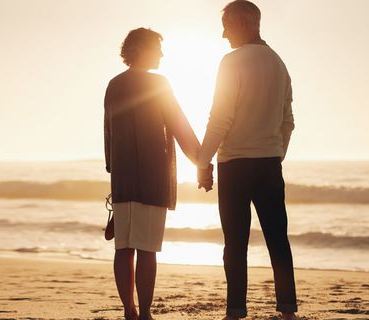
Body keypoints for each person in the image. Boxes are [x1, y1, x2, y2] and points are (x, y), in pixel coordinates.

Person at [196, 1, 297, 319]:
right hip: (269, 164)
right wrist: (276, 154)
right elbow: (288, 121)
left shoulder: (232, 61)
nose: (223, 32)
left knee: (235, 243)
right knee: (277, 239)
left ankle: (236, 310)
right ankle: (288, 307)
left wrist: (202, 161)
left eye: (226, 23)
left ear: (244, 23)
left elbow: (220, 118)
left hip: (235, 164)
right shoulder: (278, 63)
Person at [104, 28, 209, 320]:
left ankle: (130, 311)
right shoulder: (159, 84)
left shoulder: (114, 85)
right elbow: (179, 126)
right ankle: (146, 312)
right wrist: (201, 161)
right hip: (152, 178)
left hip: (124, 179)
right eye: (158, 49)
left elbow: (108, 133)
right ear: (143, 49)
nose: (162, 55)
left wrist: (114, 169)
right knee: (147, 249)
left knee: (123, 248)